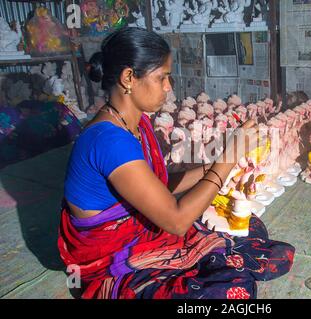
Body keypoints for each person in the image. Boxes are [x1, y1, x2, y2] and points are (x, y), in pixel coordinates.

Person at [58, 27, 294, 299]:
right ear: (128, 78)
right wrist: (228, 158)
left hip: (146, 234)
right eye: (162, 78)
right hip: (115, 262)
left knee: (251, 229)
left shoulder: (137, 123)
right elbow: (178, 222)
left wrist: (220, 164)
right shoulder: (109, 140)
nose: (169, 88)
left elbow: (157, 187)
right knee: (229, 290)